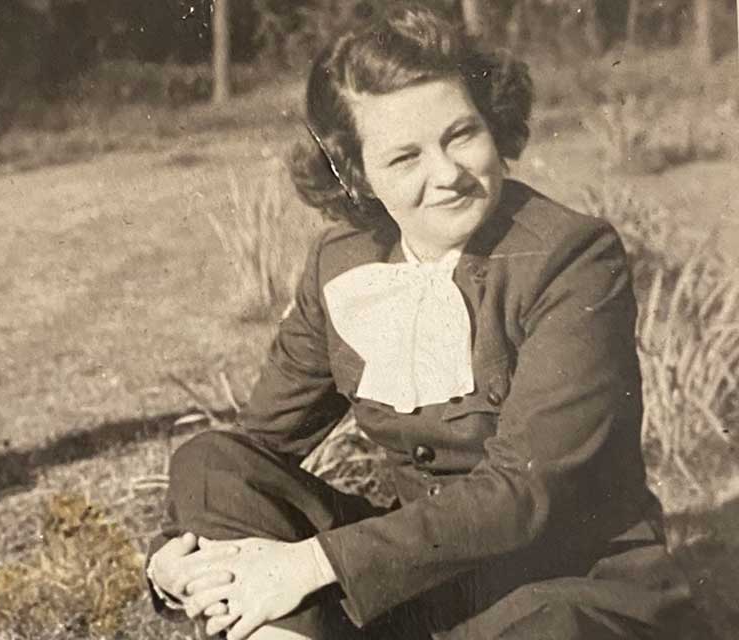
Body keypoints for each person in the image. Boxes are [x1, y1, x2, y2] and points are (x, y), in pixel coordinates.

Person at [145, 4, 698, 639]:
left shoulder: (571, 257)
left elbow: (526, 493)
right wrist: (171, 558)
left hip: (561, 583)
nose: (448, 174)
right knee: (211, 462)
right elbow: (262, 443)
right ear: (357, 177)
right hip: (421, 583)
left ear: (493, 121)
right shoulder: (340, 264)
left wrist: (310, 565)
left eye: (461, 135)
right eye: (405, 157)